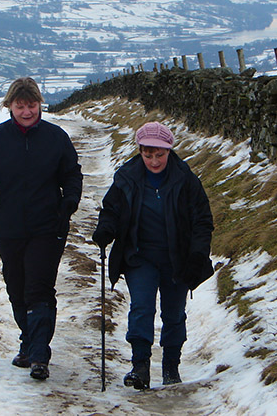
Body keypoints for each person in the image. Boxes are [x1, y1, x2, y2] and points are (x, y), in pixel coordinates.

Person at [0, 77, 82, 381]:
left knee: (39, 288)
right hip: (8, 227)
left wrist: (68, 204)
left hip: (48, 226)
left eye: (32, 105)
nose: (27, 111)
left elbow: (72, 174)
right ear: (10, 106)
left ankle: (39, 353)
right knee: (17, 287)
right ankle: (29, 341)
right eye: (20, 106)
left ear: (40, 104)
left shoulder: (56, 138)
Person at [93, 121, 214, 389]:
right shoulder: (128, 177)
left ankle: (171, 365)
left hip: (177, 259)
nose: (154, 161)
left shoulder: (186, 181)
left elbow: (202, 221)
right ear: (140, 152)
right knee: (142, 307)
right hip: (140, 256)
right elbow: (111, 209)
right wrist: (105, 229)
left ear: (169, 151)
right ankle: (140, 366)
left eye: (159, 154)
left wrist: (197, 255)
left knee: (173, 314)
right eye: (148, 155)